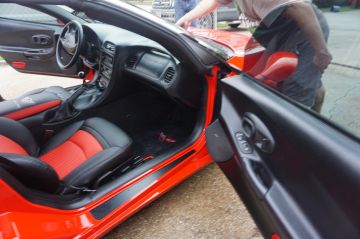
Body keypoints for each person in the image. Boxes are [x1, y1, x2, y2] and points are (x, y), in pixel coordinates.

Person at [176, 0, 332, 112]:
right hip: (275, 29)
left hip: (304, 28)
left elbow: (302, 9)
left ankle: (302, 136)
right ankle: (313, 86)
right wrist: (187, 18)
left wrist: (321, 51)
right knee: (273, 78)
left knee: (297, 86)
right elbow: (214, 1)